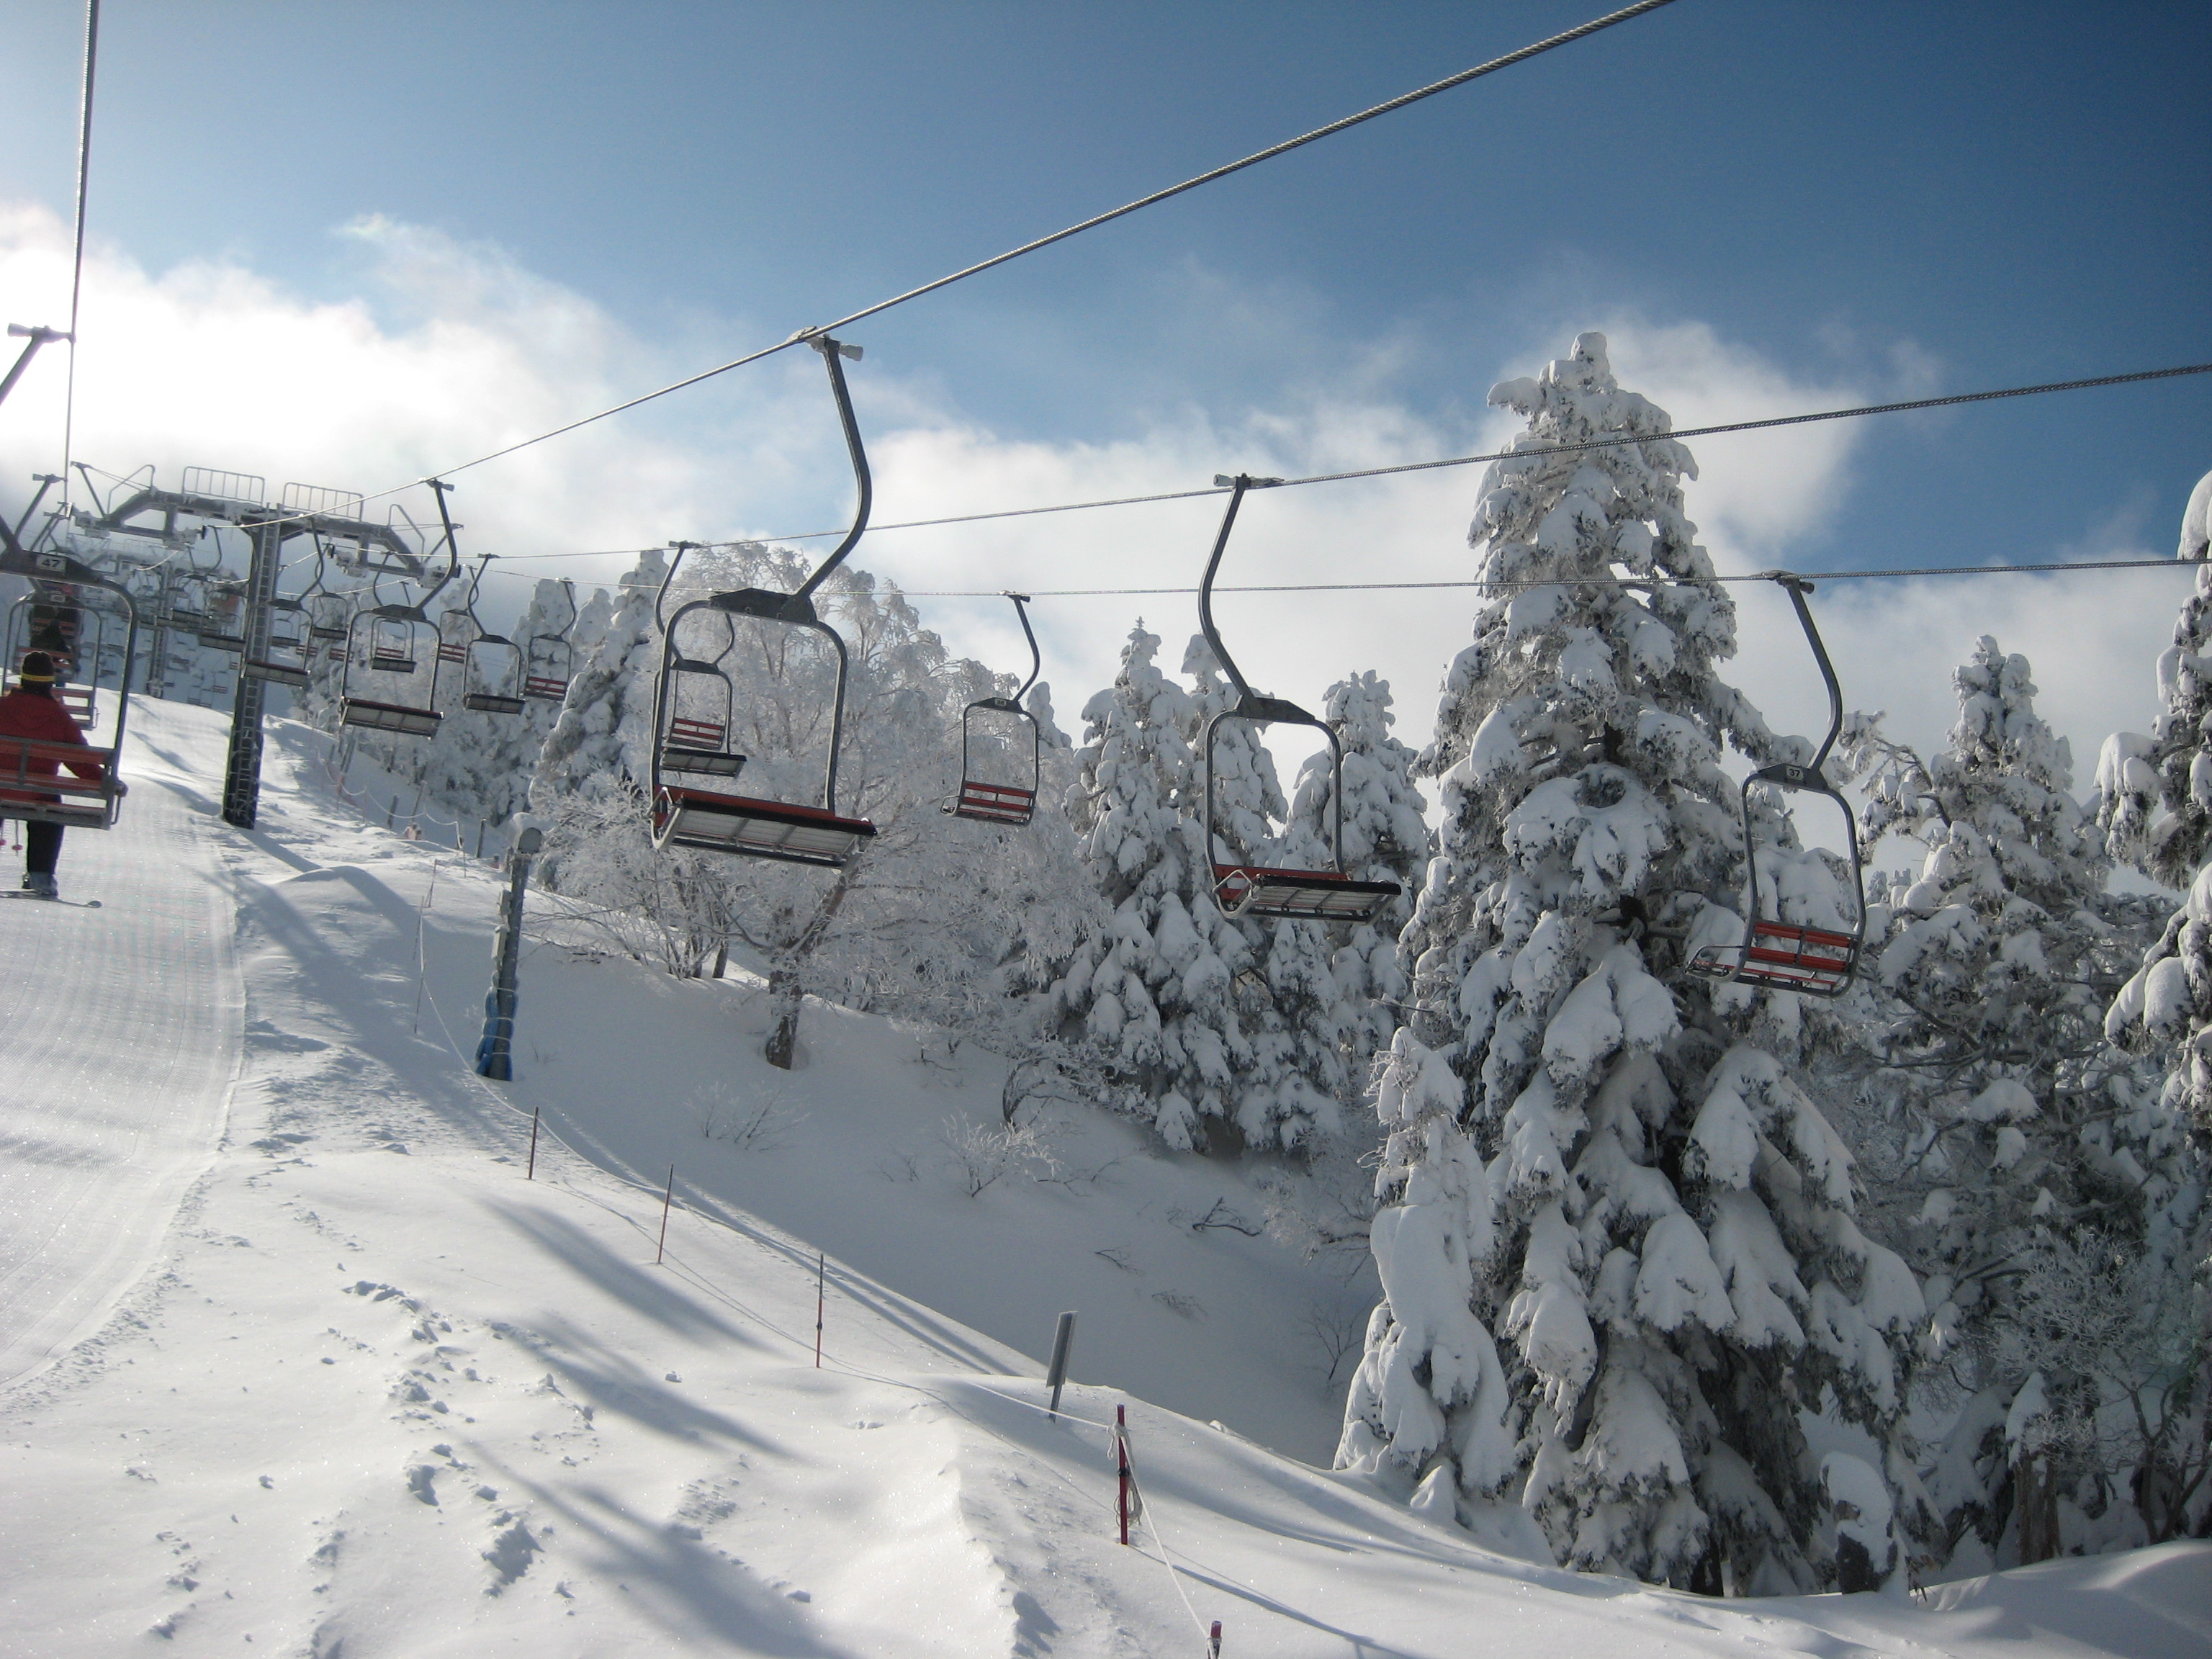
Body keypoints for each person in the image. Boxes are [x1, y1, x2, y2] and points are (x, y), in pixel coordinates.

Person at [0, 650, 107, 899]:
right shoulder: (60, 719)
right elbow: (82, 764)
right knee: (50, 811)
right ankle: (41, 876)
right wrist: (108, 783)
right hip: (38, 795)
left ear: (21, 680)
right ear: (50, 682)